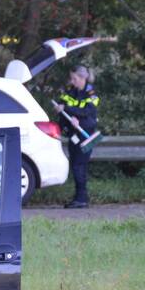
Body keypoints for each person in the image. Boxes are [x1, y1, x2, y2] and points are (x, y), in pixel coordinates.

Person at [54, 65, 99, 208]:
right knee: (75, 165)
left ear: (83, 78)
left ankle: (81, 199)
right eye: (71, 78)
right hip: (73, 134)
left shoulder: (92, 93)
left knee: (79, 166)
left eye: (74, 79)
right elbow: (61, 104)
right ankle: (80, 198)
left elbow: (88, 112)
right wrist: (61, 109)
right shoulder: (70, 91)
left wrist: (70, 111)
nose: (72, 81)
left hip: (87, 135)